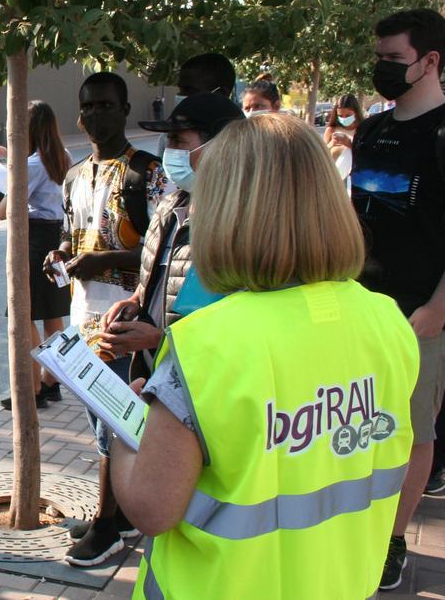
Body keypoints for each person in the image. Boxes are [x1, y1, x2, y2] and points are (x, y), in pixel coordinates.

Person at [111, 114, 418, 599]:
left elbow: (151, 508)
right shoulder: (388, 322)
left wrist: (124, 429)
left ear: (228, 212)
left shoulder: (205, 344)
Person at [43, 72, 167, 566]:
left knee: (116, 423)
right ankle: (122, 509)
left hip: (125, 320)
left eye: (105, 106)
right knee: (102, 420)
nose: (94, 115)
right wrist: (62, 255)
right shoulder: (73, 174)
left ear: (123, 108)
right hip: (82, 318)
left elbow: (166, 252)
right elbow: (74, 238)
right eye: (86, 107)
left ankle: (108, 525)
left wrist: (105, 263)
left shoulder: (148, 173)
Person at [351, 8, 445, 591]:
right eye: (379, 58)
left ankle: (393, 539)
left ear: (430, 61)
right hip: (359, 307)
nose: (382, 68)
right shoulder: (371, 131)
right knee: (361, 421)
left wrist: (436, 311)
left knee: (413, 431)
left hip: (420, 315)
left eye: (394, 59)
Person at [95, 93, 244, 377]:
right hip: (155, 376)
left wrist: (157, 339)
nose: (168, 151)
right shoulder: (170, 206)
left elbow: (239, 332)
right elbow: (159, 278)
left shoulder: (240, 225)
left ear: (220, 148)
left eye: (178, 142)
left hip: (201, 383)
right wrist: (135, 301)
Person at [0, 101, 71, 409]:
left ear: (28, 130)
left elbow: (4, 210)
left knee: (26, 314)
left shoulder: (31, 166)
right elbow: (33, 165)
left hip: (32, 240)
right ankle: (51, 381)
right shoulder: (62, 156)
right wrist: (9, 156)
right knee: (53, 313)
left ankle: (31, 390)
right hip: (56, 238)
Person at [156, 53, 236, 156]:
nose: (181, 96)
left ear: (221, 93)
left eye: (189, 90)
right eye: (180, 90)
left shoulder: (245, 140)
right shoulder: (167, 136)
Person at [324, 93, 365, 180]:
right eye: (340, 116)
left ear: (356, 112)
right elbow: (322, 154)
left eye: (348, 115)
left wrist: (349, 144)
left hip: (355, 177)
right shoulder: (331, 130)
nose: (344, 118)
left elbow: (367, 154)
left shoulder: (364, 129)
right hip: (332, 177)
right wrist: (332, 143)